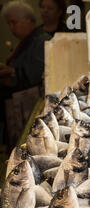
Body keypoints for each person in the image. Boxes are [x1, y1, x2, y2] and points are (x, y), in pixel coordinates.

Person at [0, 0, 51, 150]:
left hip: (29, 106)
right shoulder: (26, 41)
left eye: (14, 22)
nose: (11, 28)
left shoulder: (42, 40)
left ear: (28, 20)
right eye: (9, 24)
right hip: (16, 108)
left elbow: (37, 73)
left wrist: (11, 71)